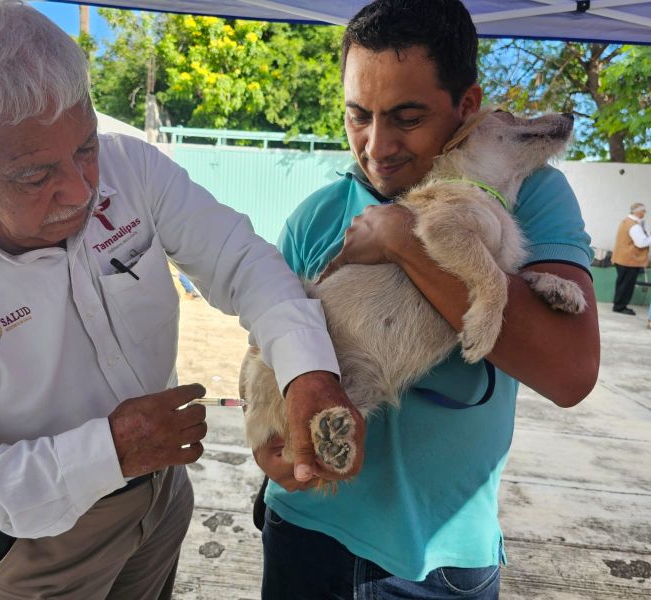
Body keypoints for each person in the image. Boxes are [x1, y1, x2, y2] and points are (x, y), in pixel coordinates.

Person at [0, 1, 364, 598]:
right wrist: (103, 455)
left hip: (164, 492)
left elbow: (240, 258)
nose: (81, 189)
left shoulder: (132, 169)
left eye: (86, 145)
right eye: (34, 176)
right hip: (43, 545)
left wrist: (308, 374)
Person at [252, 1, 600, 598]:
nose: (377, 146)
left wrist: (401, 239)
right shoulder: (317, 217)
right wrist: (278, 460)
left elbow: (570, 373)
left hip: (440, 560)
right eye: (358, 116)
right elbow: (265, 370)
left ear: (468, 106)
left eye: (406, 118)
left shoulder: (523, 191)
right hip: (305, 532)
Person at [611, 202, 650, 315]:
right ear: (637, 211)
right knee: (627, 285)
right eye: (643, 211)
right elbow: (641, 243)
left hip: (622, 259)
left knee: (622, 283)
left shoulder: (625, 222)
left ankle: (618, 305)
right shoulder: (634, 225)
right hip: (629, 260)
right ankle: (620, 306)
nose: (644, 213)